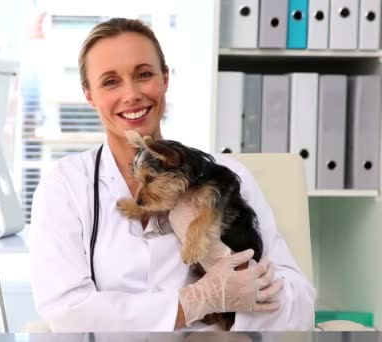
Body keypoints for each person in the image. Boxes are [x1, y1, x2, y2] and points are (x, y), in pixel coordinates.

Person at [28, 17, 316, 332]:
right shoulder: (66, 186)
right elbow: (67, 311)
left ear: (165, 79)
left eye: (144, 74)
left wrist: (233, 276)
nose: (132, 94)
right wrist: (197, 301)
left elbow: (298, 305)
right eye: (111, 81)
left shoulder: (227, 177)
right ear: (89, 95)